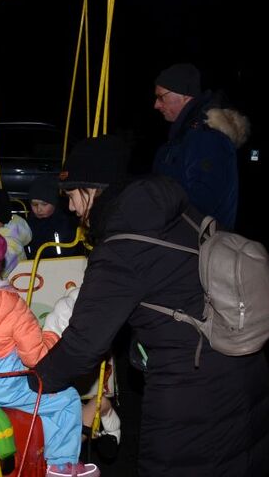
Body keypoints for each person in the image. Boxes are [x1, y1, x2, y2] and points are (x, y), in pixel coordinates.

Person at [28, 134, 269, 475]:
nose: (70, 207)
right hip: (242, 367)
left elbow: (83, 344)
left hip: (191, 389)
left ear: (94, 189)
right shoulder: (174, 212)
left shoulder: (122, 245)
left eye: (72, 195)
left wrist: (34, 380)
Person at [0, 222, 100, 477]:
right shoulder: (12, 304)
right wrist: (51, 335)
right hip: (1, 387)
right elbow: (35, 357)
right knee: (67, 399)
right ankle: (62, 466)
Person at [152, 62, 250, 229]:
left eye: (162, 97)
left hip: (194, 249)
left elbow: (200, 205)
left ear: (184, 95)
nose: (156, 105)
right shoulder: (184, 137)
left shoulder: (207, 138)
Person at [25, 175, 81, 258]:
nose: (39, 209)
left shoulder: (66, 222)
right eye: (34, 204)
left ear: (54, 203)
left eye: (44, 204)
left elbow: (73, 251)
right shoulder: (28, 223)